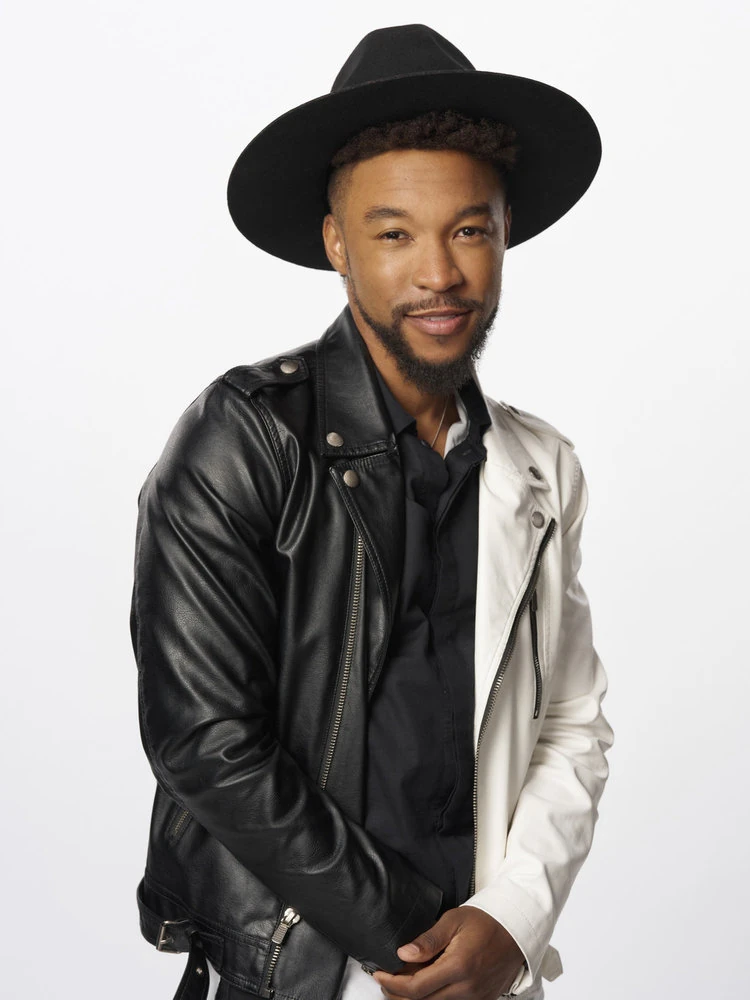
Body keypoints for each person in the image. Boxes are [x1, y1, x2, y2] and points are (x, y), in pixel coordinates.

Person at [130, 23, 614, 1000]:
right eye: (394, 233)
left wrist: (512, 922)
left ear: (504, 232)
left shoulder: (540, 465)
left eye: (468, 229)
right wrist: (413, 935)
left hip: (490, 971)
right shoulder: (243, 438)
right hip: (300, 973)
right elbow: (206, 741)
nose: (438, 273)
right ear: (337, 244)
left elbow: (570, 718)